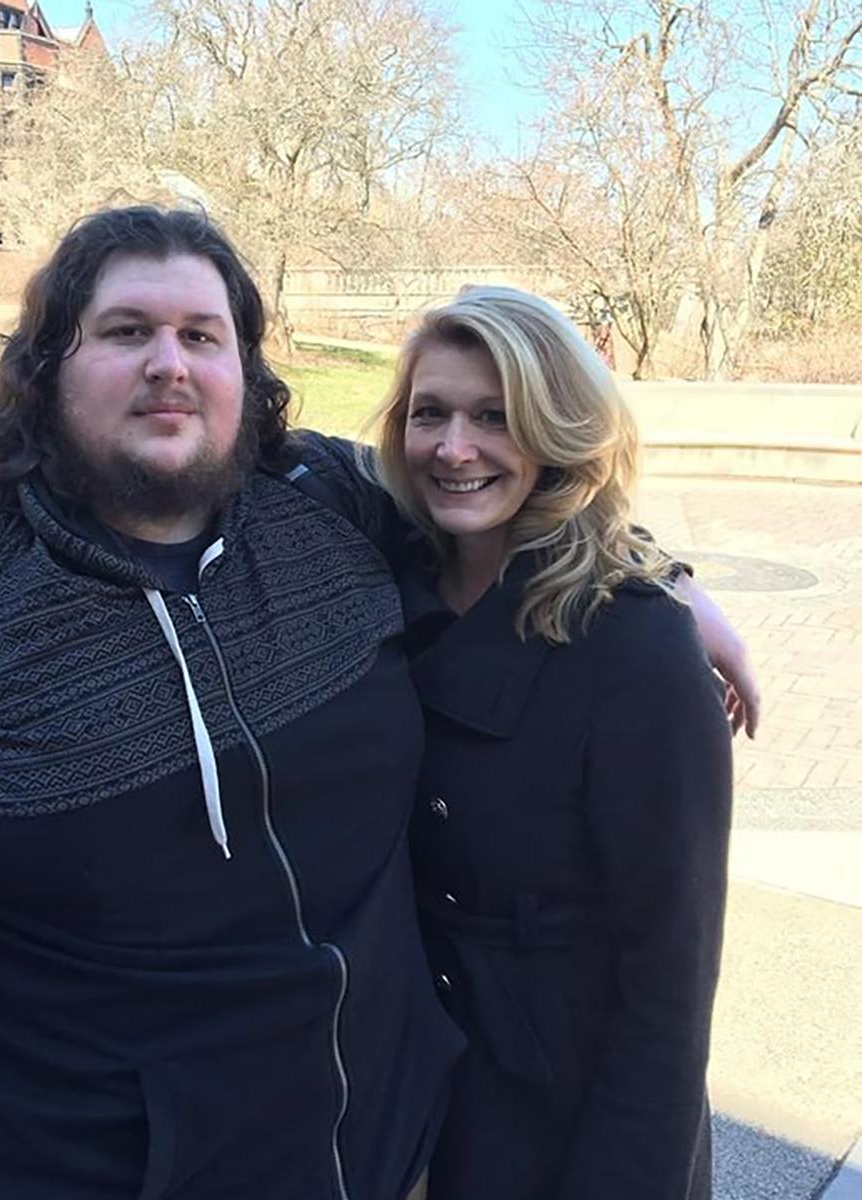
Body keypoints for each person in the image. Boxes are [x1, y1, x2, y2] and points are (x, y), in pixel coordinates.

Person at [0, 207, 752, 1200]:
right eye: (126, 330)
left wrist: (660, 586)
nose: (169, 364)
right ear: (48, 363)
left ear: (244, 368)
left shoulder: (325, 507)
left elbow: (503, 491)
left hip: (388, 1151)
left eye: (204, 336)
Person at [370, 287, 733, 1199]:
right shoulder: (380, 578)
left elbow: (671, 982)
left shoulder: (634, 643)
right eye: (432, 414)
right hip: (412, 1105)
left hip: (570, 1121)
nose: (455, 448)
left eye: (497, 417)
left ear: (559, 429)